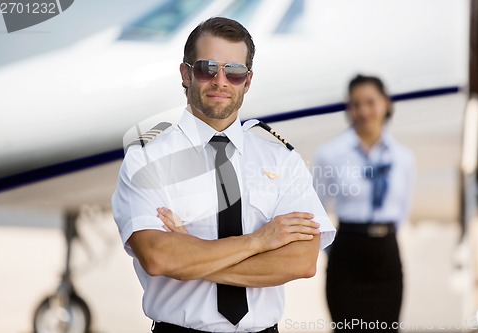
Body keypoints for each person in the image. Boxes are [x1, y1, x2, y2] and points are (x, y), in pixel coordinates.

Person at [112, 17, 336, 333]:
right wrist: (261, 240)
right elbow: (159, 258)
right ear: (186, 73)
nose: (221, 81)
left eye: (234, 71)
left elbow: (301, 261)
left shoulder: (281, 159)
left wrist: (193, 256)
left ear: (248, 80)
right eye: (207, 68)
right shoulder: (148, 158)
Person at [313, 75, 415, 332]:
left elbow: (403, 210)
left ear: (386, 104)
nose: (363, 111)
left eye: (370, 102)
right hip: (347, 255)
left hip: (387, 255)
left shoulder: (403, 157)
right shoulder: (331, 154)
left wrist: (382, 237)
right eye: (356, 104)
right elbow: (317, 210)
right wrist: (333, 251)